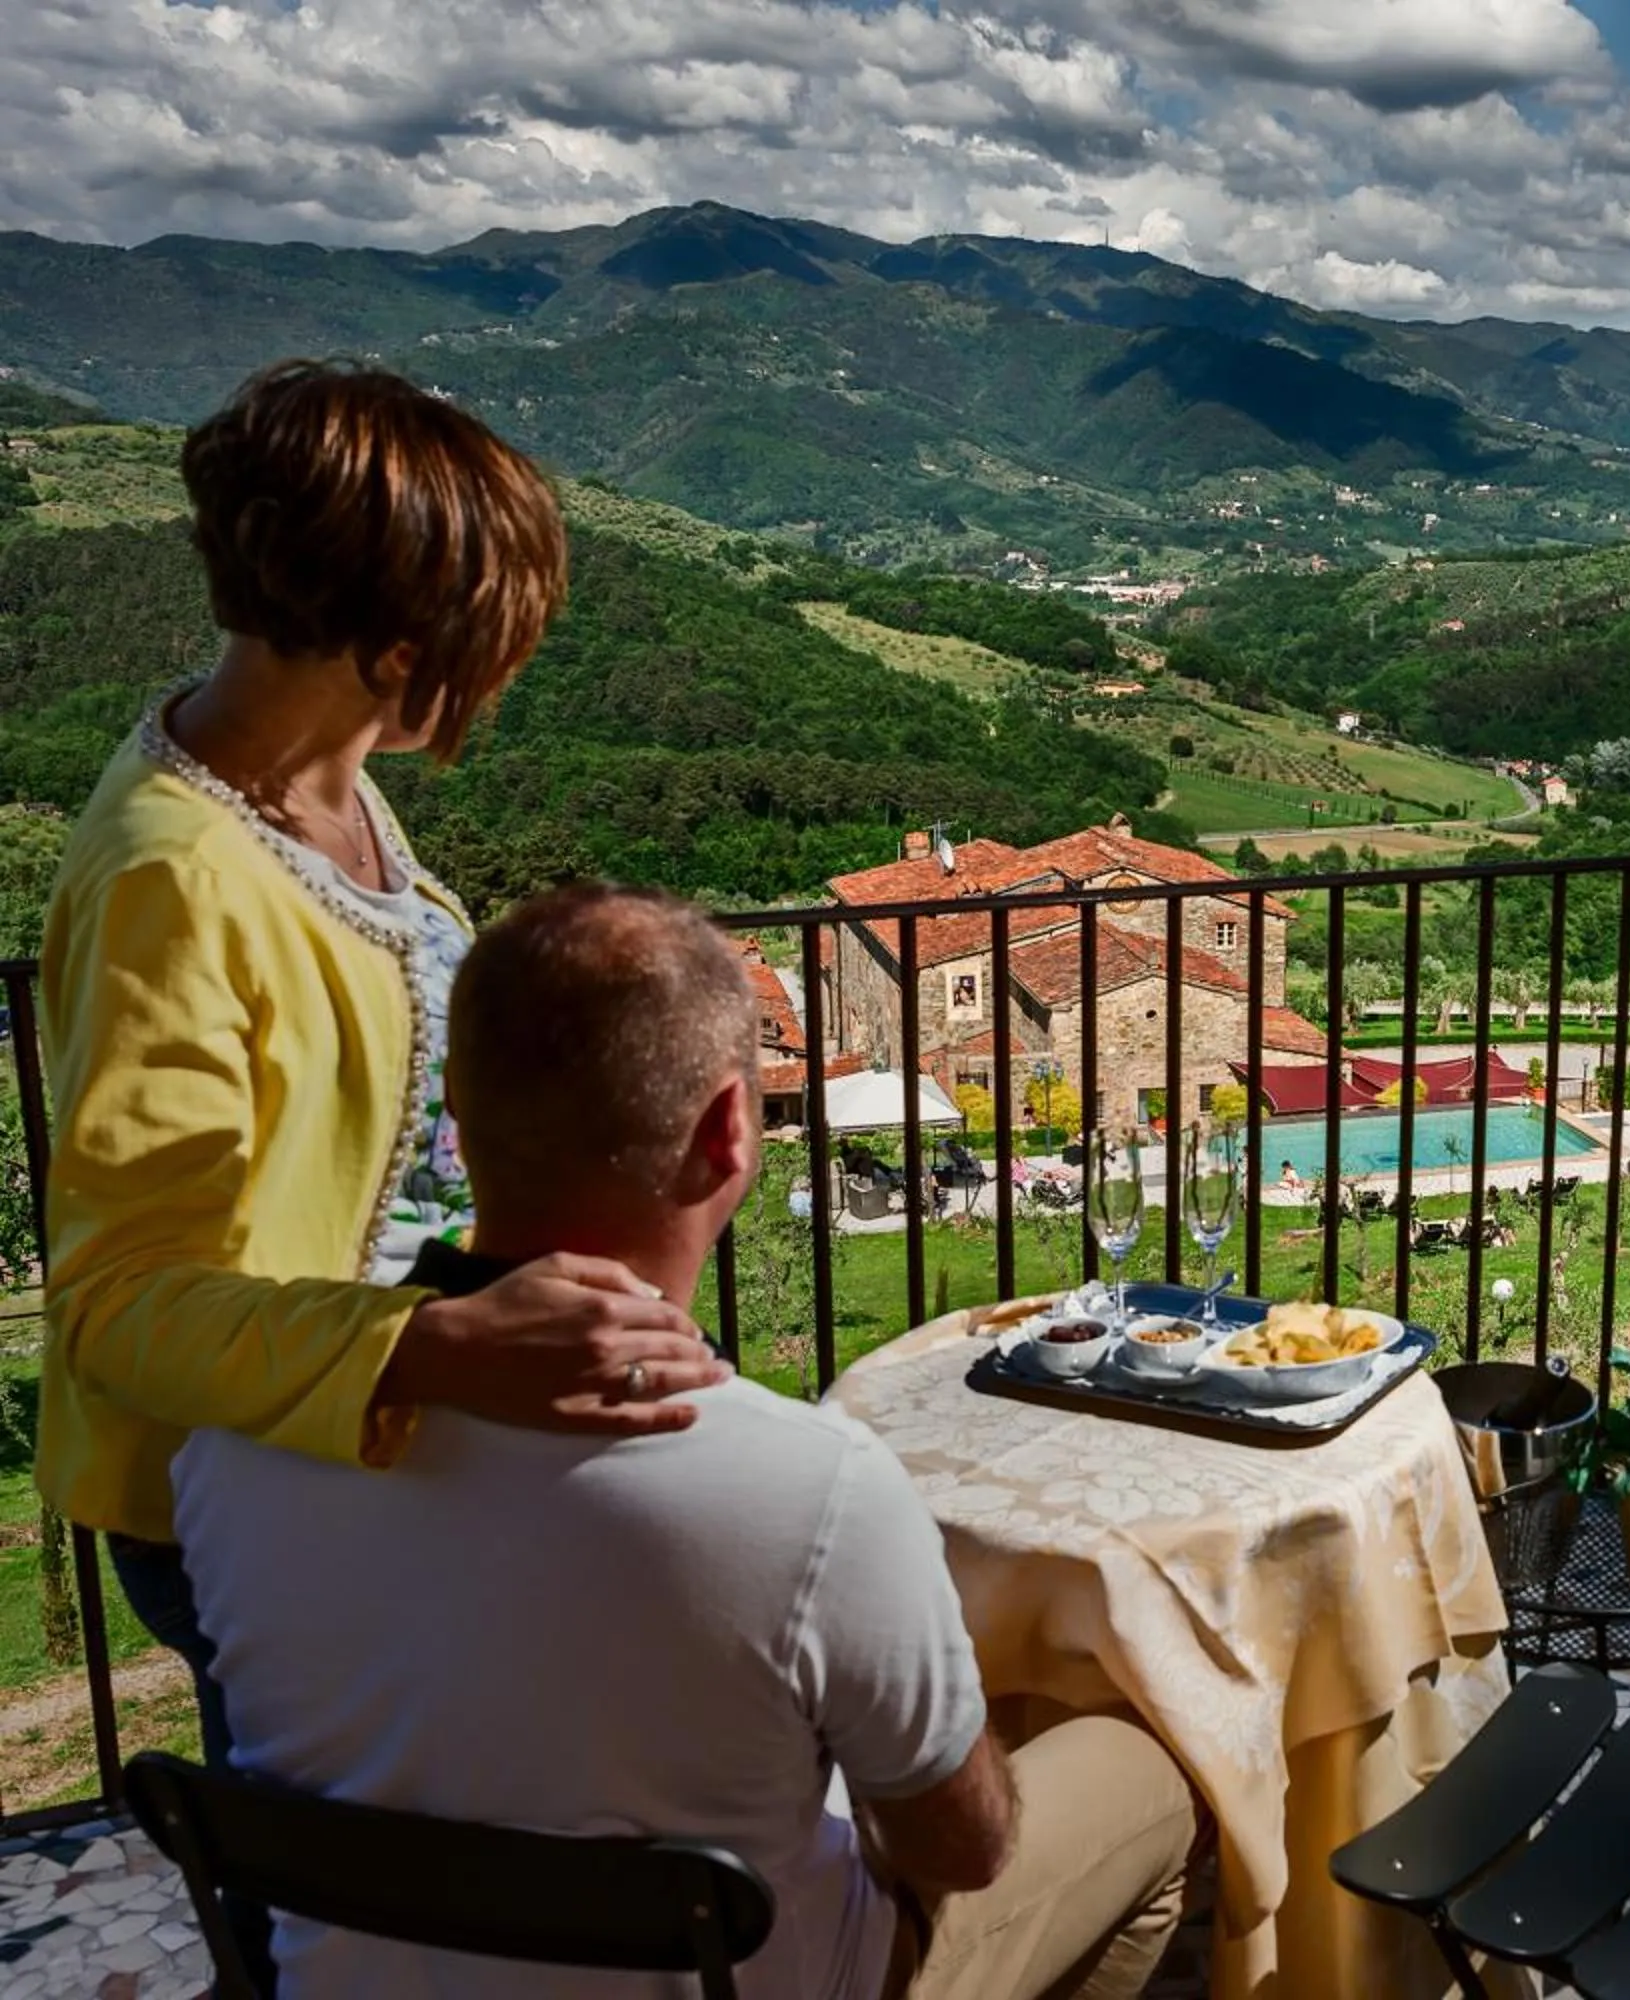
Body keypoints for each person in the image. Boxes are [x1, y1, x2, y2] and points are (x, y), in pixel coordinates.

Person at [175, 886, 1196, 1998]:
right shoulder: (808, 1485)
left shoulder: (236, 1444)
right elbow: (962, 1852)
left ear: (455, 1112)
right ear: (729, 1131)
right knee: (1145, 1777)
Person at [38, 362, 723, 1798]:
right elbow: (115, 1309)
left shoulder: (318, 787)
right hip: (237, 1495)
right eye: (496, 635)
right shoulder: (175, 876)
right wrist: (446, 1350)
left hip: (344, 1439)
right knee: (337, 1863)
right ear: (402, 641)